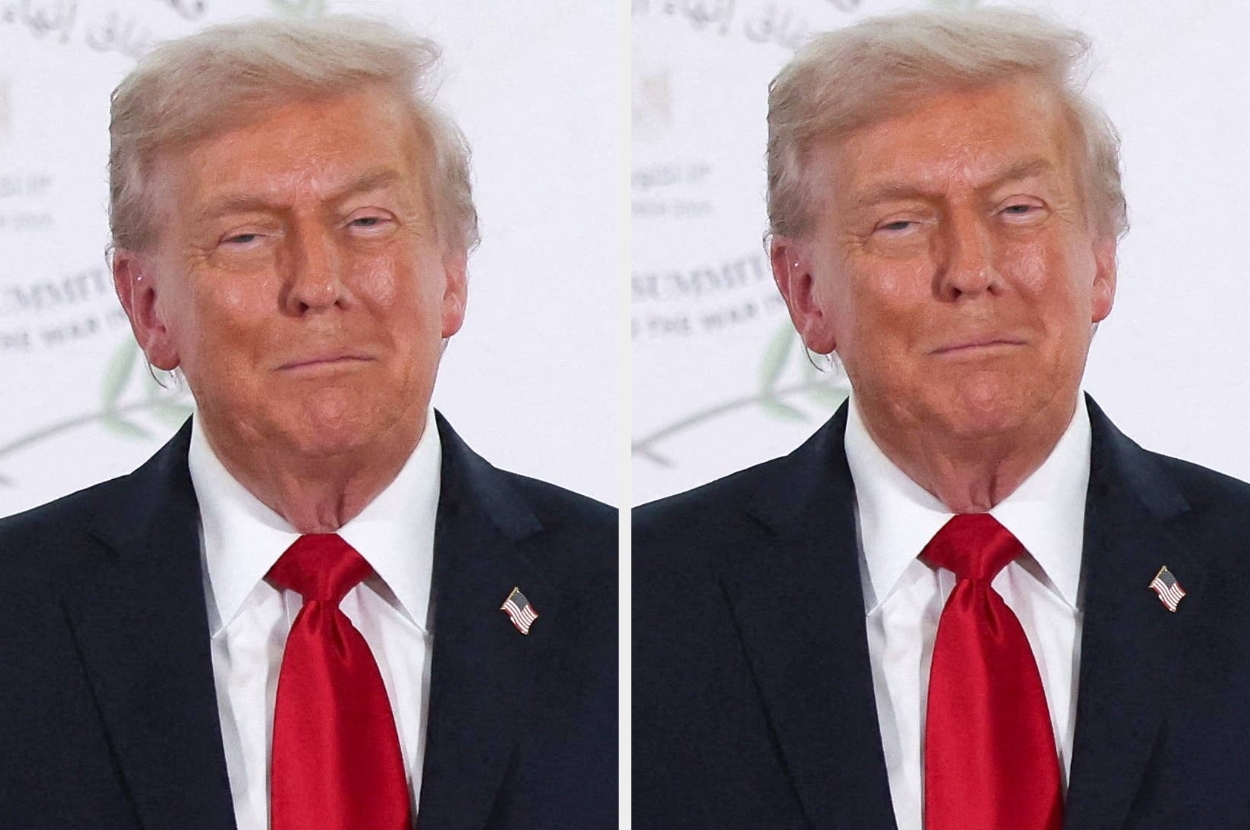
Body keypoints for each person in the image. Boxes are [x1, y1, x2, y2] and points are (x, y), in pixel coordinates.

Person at [634, 8, 1250, 830]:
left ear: (1101, 260)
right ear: (806, 293)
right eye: (901, 223)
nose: (969, 270)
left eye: (1019, 209)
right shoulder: (641, 601)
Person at [0, 16, 615, 830]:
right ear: (148, 306)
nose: (317, 285)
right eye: (247, 236)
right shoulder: (20, 615)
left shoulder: (633, 594)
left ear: (452, 275)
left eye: (366, 222)